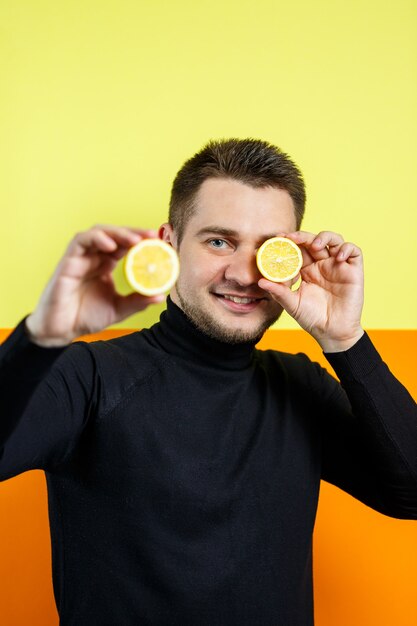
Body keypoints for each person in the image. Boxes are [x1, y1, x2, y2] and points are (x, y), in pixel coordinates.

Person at [0, 138, 416, 626]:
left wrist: (345, 339)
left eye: (268, 248)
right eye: (219, 241)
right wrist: (40, 337)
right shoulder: (87, 376)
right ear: (169, 242)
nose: (243, 274)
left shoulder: (301, 386)